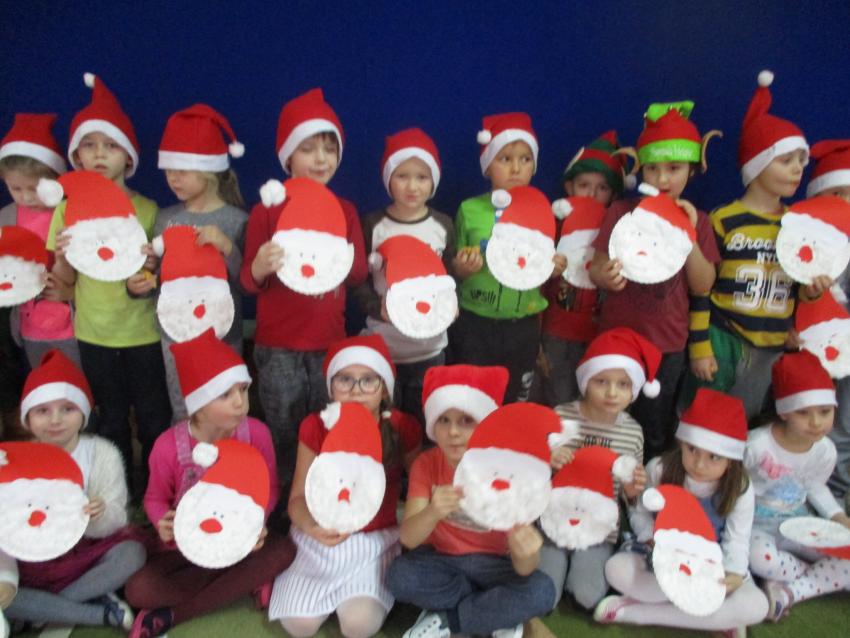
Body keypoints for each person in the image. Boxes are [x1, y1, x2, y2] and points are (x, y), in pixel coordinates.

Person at [124, 329, 295, 638]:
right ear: (199, 405)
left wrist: (258, 521)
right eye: (225, 395)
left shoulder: (256, 434)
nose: (240, 403)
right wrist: (160, 520)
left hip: (242, 542)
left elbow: (271, 488)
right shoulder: (168, 446)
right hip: (184, 547)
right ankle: (243, 581)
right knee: (138, 589)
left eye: (243, 390)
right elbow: (154, 498)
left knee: (284, 551)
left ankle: (175, 614)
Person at [240, 88, 367, 492]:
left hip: (328, 343)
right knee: (284, 426)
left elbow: (357, 275)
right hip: (278, 345)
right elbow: (247, 281)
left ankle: (324, 494)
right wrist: (260, 266)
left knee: (327, 425)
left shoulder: (344, 211)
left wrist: (343, 257)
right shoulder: (267, 209)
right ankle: (284, 501)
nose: (320, 159)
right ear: (288, 157)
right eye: (308, 149)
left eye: (329, 149)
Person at [46, 73, 171, 477]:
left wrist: (147, 276)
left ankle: (155, 488)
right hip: (94, 334)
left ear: (128, 157)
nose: (99, 154)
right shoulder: (67, 209)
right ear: (76, 155)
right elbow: (65, 282)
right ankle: (120, 490)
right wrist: (62, 257)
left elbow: (155, 273)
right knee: (111, 418)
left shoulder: (148, 210)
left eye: (110, 145)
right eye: (89, 145)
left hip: (143, 333)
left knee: (153, 416)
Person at [686, 71, 824, 419]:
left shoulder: (799, 225)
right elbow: (701, 289)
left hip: (771, 344)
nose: (797, 170)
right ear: (757, 164)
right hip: (724, 336)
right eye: (785, 161)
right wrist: (700, 345)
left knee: (745, 418)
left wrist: (812, 292)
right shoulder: (724, 219)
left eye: (801, 161)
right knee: (700, 417)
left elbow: (800, 290)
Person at [589, 101, 720, 461]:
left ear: (692, 170)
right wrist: (605, 275)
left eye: (674, 169)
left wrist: (688, 233)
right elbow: (596, 268)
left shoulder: (699, 220)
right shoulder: (622, 212)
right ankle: (601, 471)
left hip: (667, 347)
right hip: (617, 339)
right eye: (653, 169)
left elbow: (702, 284)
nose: (662, 179)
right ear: (640, 169)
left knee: (655, 425)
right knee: (607, 417)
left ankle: (646, 478)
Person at [270, 335, 421, 638]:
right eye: (345, 380)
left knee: (359, 626)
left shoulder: (401, 426)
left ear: (384, 389)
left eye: (368, 380)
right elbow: (296, 499)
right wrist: (311, 527)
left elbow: (421, 487)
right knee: (298, 626)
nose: (356, 390)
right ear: (331, 387)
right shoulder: (315, 425)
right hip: (319, 537)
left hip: (375, 541)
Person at [387, 364, 555, 638]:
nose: (453, 432)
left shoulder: (509, 468)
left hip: (495, 564)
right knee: (399, 576)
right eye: (444, 420)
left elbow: (525, 568)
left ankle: (449, 620)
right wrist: (432, 512)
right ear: (433, 425)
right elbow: (408, 539)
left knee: (542, 591)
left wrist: (526, 553)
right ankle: (493, 613)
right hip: (442, 561)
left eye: (466, 420)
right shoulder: (426, 464)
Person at [597, 388, 768, 635]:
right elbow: (639, 512)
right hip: (658, 554)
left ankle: (638, 613)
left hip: (710, 562)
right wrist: (649, 536)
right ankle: (717, 617)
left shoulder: (739, 487)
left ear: (731, 460)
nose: (699, 464)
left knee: (757, 606)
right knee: (616, 569)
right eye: (692, 450)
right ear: (682, 443)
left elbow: (738, 537)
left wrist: (733, 572)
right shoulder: (660, 469)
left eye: (714, 457)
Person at [5, 350, 145, 631]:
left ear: (83, 414)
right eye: (43, 411)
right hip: (32, 556)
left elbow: (118, 517)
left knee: (133, 554)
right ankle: (97, 613)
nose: (55, 420)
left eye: (67, 409)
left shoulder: (102, 453)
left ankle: (43, 611)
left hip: (88, 549)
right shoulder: (13, 461)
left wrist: (99, 514)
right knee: (5, 589)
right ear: (27, 419)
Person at [135, 104, 248, 422]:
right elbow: (157, 275)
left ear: (208, 171)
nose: (173, 178)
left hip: (223, 331)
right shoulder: (166, 218)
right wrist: (144, 279)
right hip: (174, 331)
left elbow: (247, 282)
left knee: (224, 402)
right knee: (182, 403)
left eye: (182, 170)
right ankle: (184, 453)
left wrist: (226, 247)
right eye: (169, 170)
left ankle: (225, 454)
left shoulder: (236, 220)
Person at [450, 112, 565, 402]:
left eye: (525, 159)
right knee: (472, 396)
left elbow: (544, 264)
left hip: (522, 325)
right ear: (488, 166)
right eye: (505, 159)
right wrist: (462, 268)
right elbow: (453, 267)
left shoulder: (542, 210)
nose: (516, 168)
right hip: (475, 322)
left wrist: (553, 267)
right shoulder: (469, 209)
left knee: (515, 397)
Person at [539, 327, 653, 610]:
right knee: (543, 593)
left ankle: (576, 576)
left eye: (623, 384)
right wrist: (548, 459)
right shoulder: (561, 416)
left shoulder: (633, 432)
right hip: (555, 517)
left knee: (588, 595)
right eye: (601, 381)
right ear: (585, 381)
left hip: (599, 527)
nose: (612, 392)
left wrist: (632, 491)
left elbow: (631, 496)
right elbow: (534, 469)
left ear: (633, 390)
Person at [354, 128, 455, 426]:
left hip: (430, 348)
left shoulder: (442, 225)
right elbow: (358, 281)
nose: (412, 186)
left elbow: (450, 280)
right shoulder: (373, 224)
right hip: (385, 344)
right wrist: (377, 308)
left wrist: (451, 306)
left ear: (433, 181)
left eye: (422, 177)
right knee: (386, 424)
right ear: (388, 179)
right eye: (402, 176)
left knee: (425, 422)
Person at [744, 350, 850, 621]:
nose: (816, 422)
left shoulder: (825, 449)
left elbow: (815, 487)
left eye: (825, 412)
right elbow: (736, 488)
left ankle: (788, 592)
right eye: (803, 412)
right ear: (784, 412)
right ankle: (806, 576)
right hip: (757, 525)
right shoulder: (756, 445)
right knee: (760, 559)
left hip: (800, 523)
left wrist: (837, 516)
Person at [537, 131, 631, 406]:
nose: (591, 194)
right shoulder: (554, 224)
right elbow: (533, 282)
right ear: (569, 187)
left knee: (593, 399)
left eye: (602, 188)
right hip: (555, 332)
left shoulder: (618, 228)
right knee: (557, 397)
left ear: (614, 193)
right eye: (584, 185)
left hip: (598, 334)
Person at [0, 113, 79, 368]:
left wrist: (71, 293)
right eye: (15, 188)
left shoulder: (71, 213)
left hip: (74, 327)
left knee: (79, 382)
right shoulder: (6, 217)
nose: (25, 197)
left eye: (33, 189)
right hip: (30, 328)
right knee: (42, 379)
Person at [805, 139, 850, 502]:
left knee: (844, 424)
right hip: (811, 348)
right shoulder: (805, 242)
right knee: (808, 415)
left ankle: (837, 493)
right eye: (837, 193)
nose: (845, 203)